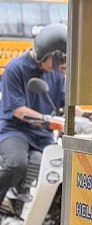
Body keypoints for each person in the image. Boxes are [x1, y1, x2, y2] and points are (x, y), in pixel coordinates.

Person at [0, 23, 67, 213]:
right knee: (17, 163)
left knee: (51, 170)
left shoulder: (56, 74)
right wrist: (47, 119)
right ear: (47, 54)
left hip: (42, 134)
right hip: (15, 130)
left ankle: (29, 215)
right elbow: (18, 110)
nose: (63, 66)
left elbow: (64, 102)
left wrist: (86, 114)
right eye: (60, 59)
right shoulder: (15, 69)